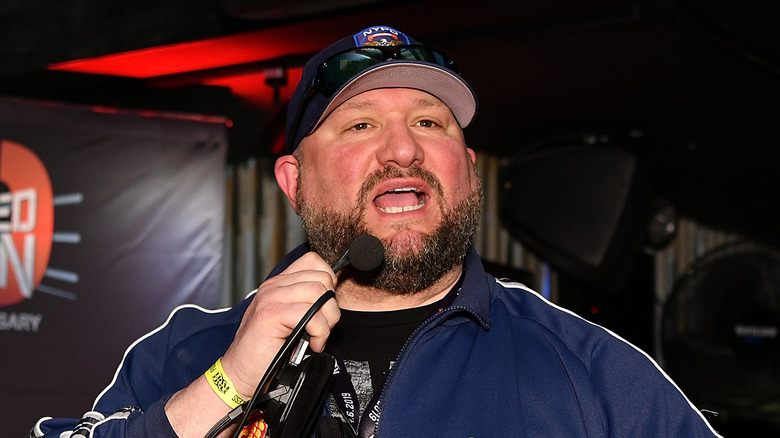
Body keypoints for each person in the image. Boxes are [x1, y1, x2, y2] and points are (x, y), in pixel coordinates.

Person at [28, 25, 723, 438]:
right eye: (360, 125)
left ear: (469, 170)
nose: (403, 150)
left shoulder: (594, 375)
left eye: (430, 122)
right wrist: (226, 386)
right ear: (294, 182)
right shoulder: (187, 353)